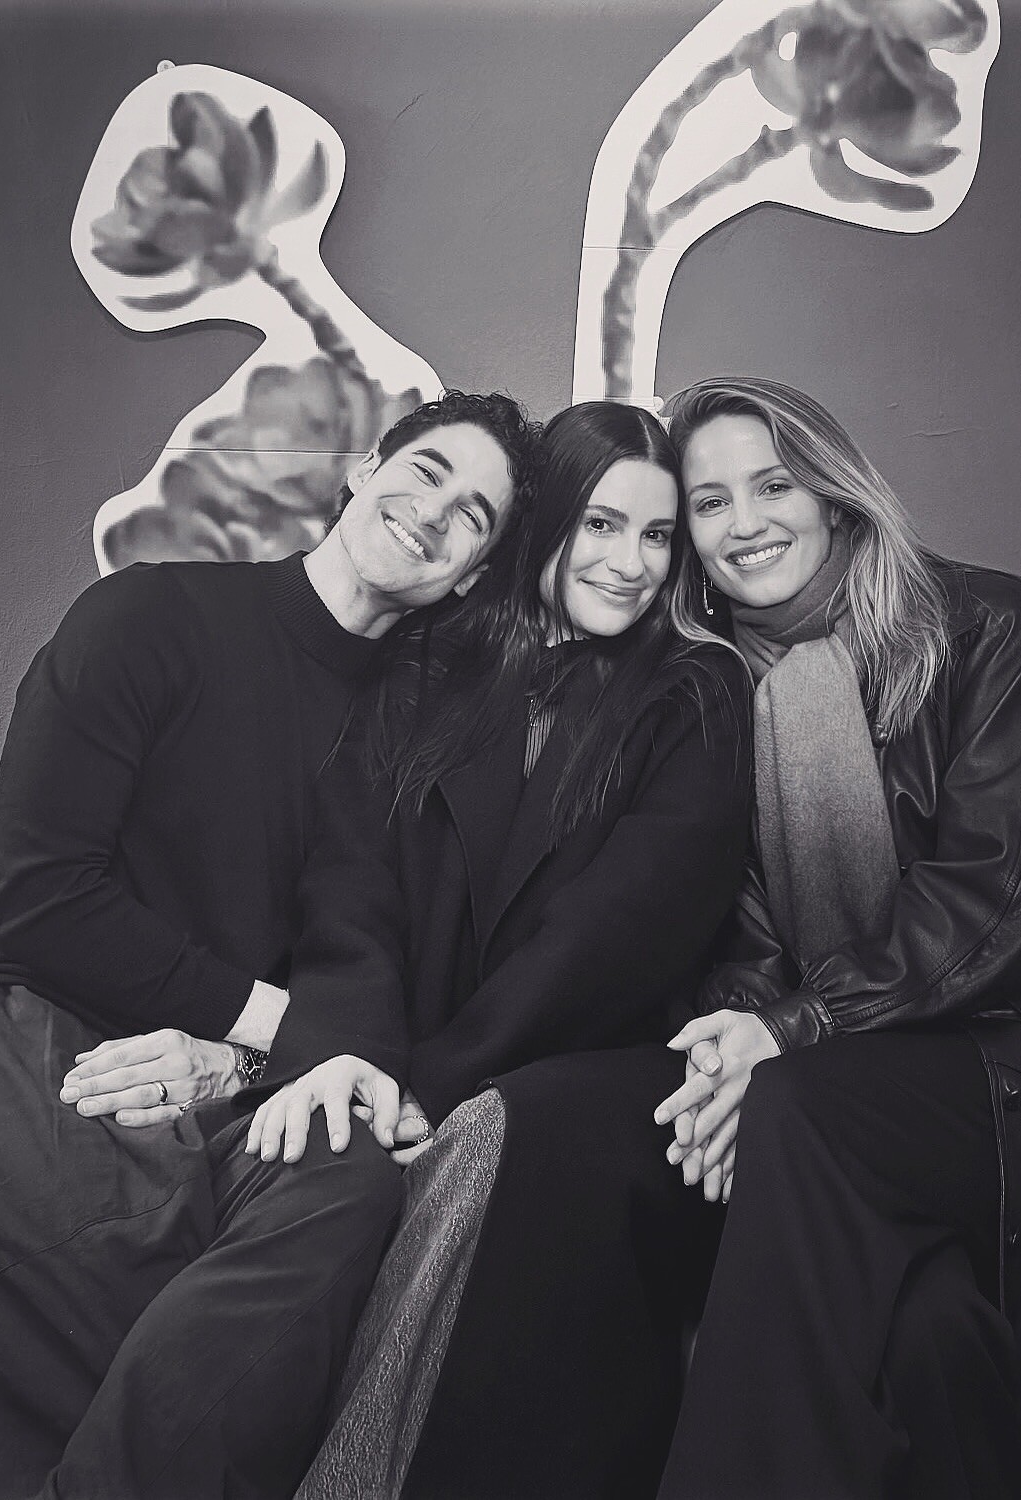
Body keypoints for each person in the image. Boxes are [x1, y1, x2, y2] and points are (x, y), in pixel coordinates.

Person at [0, 389, 541, 1500]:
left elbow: (371, 967)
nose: (437, 513)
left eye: (474, 516)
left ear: (471, 577)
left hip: (228, 1090)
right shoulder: (150, 616)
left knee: (348, 1177)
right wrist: (273, 1028)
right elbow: (46, 899)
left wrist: (238, 1060)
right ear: (364, 470)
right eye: (428, 472)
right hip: (32, 1029)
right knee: (138, 1250)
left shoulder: (416, 740)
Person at [282, 400, 753, 1500]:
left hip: (601, 1081)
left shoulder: (697, 687)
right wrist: (367, 1064)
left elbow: (618, 934)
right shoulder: (425, 670)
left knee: (492, 1134)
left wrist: (438, 1086)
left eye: (657, 535)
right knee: (324, 1148)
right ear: (544, 524)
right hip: (410, 1063)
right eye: (601, 525)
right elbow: (349, 893)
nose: (630, 564)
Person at [653, 376, 1021, 1500]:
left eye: (773, 485)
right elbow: (742, 939)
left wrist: (791, 1032)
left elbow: (991, 900)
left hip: (1016, 1055)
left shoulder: (990, 625)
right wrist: (731, 1056)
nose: (745, 522)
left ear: (834, 492)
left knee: (799, 1110)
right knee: (925, 1330)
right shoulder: (714, 692)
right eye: (709, 502)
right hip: (847, 1075)